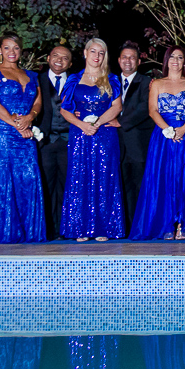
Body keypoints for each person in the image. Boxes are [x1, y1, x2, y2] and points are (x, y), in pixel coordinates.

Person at [129, 46, 185, 240]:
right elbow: (152, 110)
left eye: (180, 57)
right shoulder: (157, 83)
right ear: (166, 60)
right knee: (163, 179)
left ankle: (184, 224)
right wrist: (168, 130)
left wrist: (182, 129)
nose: (176, 60)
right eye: (172, 57)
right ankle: (165, 224)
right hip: (163, 137)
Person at [0, 34, 46, 244]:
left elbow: (37, 104)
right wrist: (17, 124)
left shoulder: (32, 76)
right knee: (4, 178)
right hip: (2, 131)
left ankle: (29, 230)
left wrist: (30, 118)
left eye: (15, 48)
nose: (12, 52)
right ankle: (4, 230)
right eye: (7, 48)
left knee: (28, 177)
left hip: (26, 130)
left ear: (21, 50)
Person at [59, 38, 125, 242]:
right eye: (94, 52)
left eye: (101, 53)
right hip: (80, 135)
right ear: (85, 53)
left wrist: (96, 123)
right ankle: (80, 228)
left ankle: (104, 228)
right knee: (80, 176)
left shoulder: (111, 79)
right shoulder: (73, 80)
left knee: (105, 177)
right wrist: (82, 125)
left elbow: (117, 107)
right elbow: (64, 109)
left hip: (104, 133)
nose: (97, 56)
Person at [37, 46, 73, 239]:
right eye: (56, 56)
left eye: (65, 58)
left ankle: (64, 228)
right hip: (46, 142)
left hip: (69, 141)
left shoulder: (76, 82)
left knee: (66, 185)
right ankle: (47, 229)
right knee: (46, 184)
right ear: (48, 58)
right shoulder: (37, 79)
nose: (60, 60)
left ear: (70, 63)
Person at [116, 42, 151, 230]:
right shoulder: (110, 81)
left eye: (132, 57)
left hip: (138, 145)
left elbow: (145, 108)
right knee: (121, 187)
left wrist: (120, 122)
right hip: (115, 145)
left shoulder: (147, 83)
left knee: (139, 187)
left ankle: (141, 227)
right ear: (118, 60)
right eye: (124, 57)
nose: (128, 61)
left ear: (138, 61)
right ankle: (123, 227)